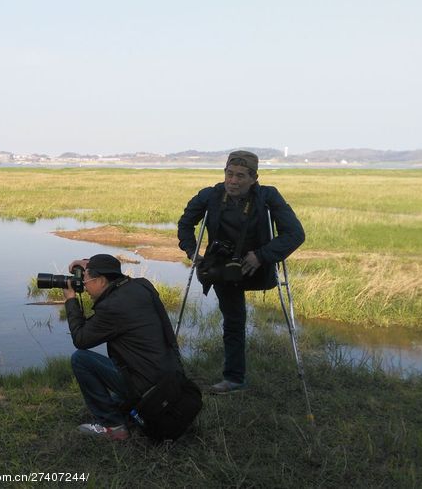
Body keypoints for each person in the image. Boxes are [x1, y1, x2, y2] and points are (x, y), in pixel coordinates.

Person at [177, 150, 305, 394]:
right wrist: (192, 251)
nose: (233, 181)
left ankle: (234, 377)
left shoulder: (268, 196)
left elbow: (295, 234)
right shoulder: (211, 195)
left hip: (258, 266)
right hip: (222, 268)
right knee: (234, 322)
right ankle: (234, 379)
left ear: (254, 178)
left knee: (234, 321)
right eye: (229, 174)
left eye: (240, 176)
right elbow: (185, 223)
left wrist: (261, 255)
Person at [61, 254, 195, 440]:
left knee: (81, 359)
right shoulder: (142, 285)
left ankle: (113, 426)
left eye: (85, 279)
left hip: (147, 387)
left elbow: (81, 339)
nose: (84, 286)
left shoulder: (112, 307)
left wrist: (70, 300)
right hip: (169, 378)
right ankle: (125, 408)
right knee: (116, 401)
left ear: (100, 280)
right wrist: (86, 264)